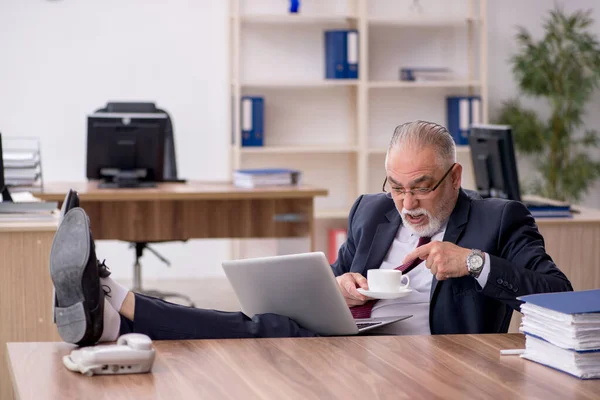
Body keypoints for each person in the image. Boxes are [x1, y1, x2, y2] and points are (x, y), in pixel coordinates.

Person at [50, 120, 573, 346]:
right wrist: (341, 283)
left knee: (263, 332)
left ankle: (113, 305)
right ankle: (113, 307)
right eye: (396, 187)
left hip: (426, 355)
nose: (408, 204)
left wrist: (474, 264)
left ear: (455, 177)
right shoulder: (371, 210)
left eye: (423, 188)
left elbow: (561, 294)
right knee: (259, 324)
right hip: (357, 337)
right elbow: (341, 274)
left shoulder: (498, 219)